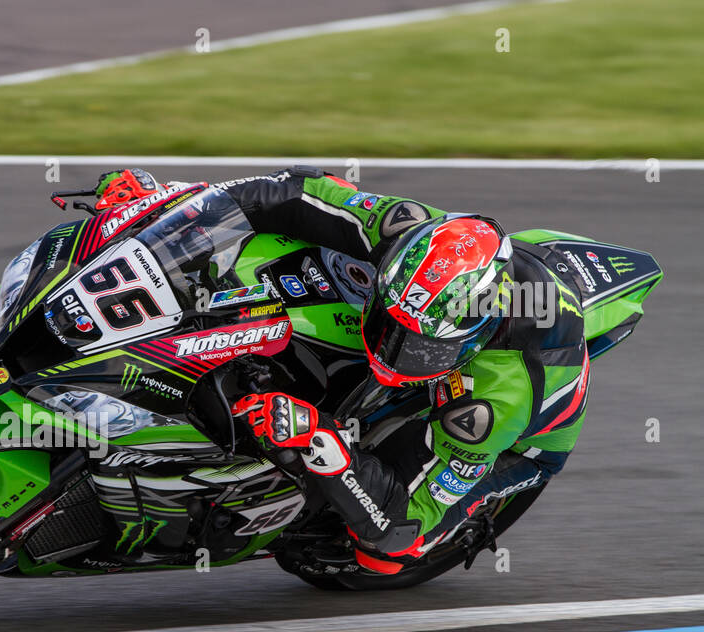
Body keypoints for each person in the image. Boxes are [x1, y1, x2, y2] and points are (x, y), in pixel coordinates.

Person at [91, 167, 589, 573]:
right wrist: (169, 204)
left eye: (419, 348)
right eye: (391, 328)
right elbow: (287, 191)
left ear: (475, 334)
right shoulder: (405, 231)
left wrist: (320, 440)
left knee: (384, 558)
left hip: (513, 446)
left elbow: (404, 524)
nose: (396, 352)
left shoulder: (495, 403)